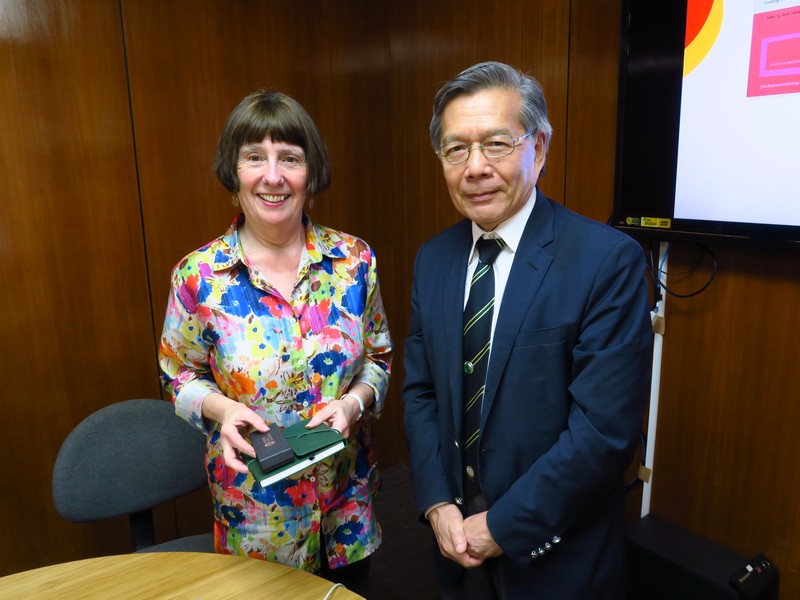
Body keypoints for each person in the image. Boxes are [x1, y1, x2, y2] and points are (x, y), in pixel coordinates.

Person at [403, 61, 653, 599]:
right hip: (456, 558)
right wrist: (437, 503)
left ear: (537, 149)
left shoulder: (606, 261)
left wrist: (499, 527)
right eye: (455, 149)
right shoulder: (433, 260)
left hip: (557, 561)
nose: (475, 168)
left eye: (496, 144)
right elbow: (422, 392)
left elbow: (604, 433)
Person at [158, 91, 392, 596]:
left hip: (345, 510)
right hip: (256, 521)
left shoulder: (354, 262)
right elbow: (176, 375)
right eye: (254, 157)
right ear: (233, 170)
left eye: (290, 157)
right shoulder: (199, 277)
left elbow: (379, 358)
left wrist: (355, 402)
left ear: (311, 171)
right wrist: (221, 410)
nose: (273, 175)